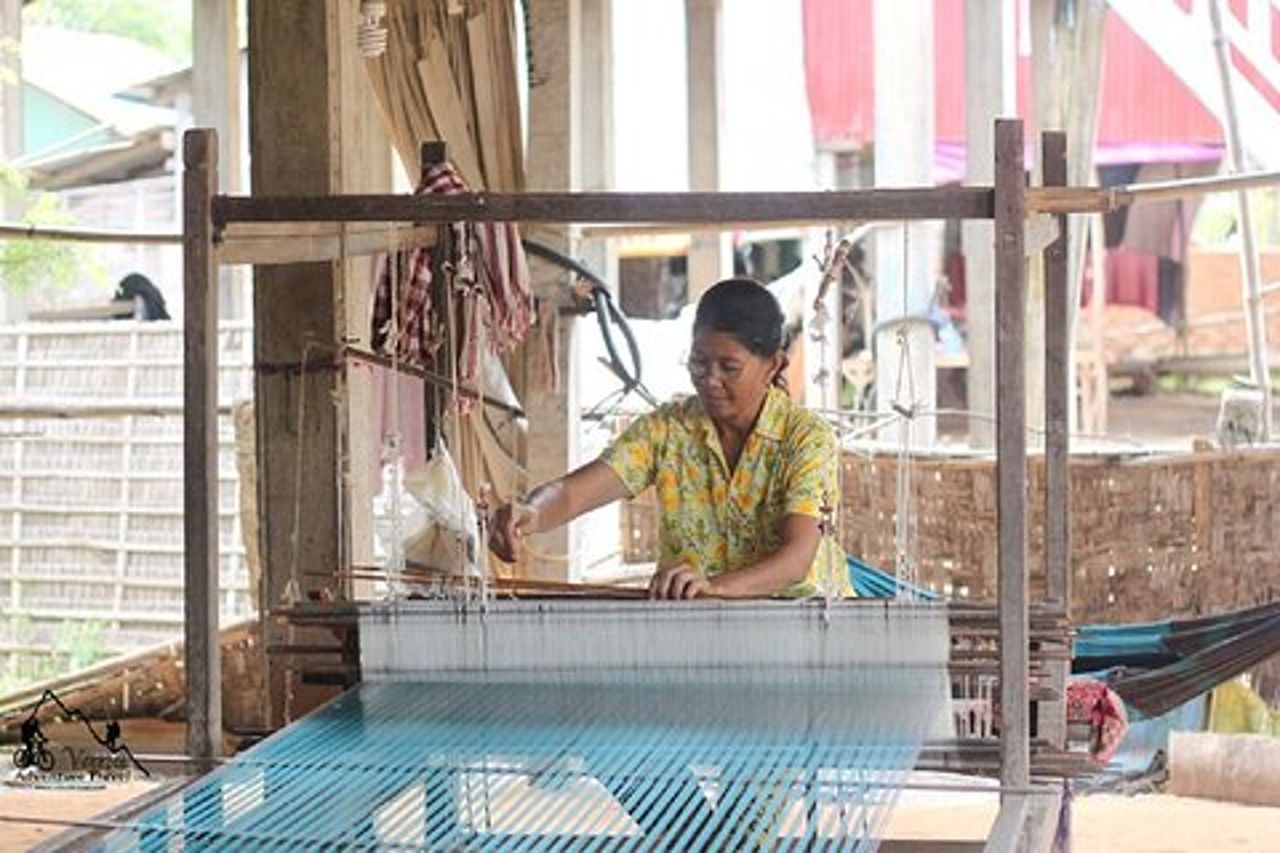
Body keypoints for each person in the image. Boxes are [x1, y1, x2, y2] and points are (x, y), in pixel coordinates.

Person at [489, 277, 851, 599]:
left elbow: (797, 559)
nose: (710, 379)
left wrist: (717, 586)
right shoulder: (667, 431)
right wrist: (532, 512)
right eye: (698, 363)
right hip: (699, 628)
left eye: (729, 368)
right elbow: (573, 492)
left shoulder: (806, 439)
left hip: (802, 632)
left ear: (773, 365)